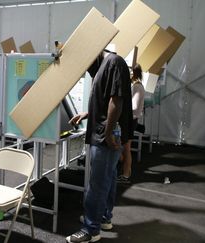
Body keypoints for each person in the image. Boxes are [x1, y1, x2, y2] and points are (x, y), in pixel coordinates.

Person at [66, 50, 133, 243]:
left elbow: (116, 101)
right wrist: (88, 113)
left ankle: (90, 230)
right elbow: (106, 100)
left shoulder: (113, 62)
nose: (88, 70)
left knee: (96, 184)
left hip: (107, 133)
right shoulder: (106, 64)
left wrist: (109, 131)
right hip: (107, 130)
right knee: (108, 178)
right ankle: (103, 218)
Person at [117, 64, 145, 184]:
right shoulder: (137, 86)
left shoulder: (137, 87)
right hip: (130, 120)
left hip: (130, 120)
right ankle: (125, 173)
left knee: (125, 149)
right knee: (124, 148)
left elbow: (134, 106)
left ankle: (126, 174)